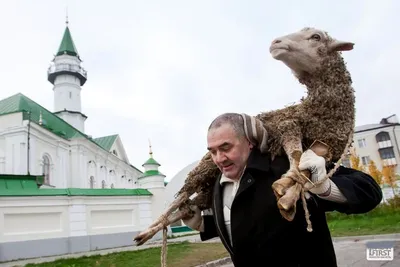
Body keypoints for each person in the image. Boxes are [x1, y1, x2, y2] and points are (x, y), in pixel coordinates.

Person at [182, 112, 382, 267]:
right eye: (213, 151)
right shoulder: (218, 183)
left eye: (226, 148)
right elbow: (244, 225)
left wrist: (325, 186)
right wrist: (202, 224)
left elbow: (369, 191)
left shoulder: (288, 167)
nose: (218, 158)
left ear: (249, 142)